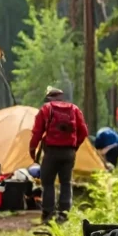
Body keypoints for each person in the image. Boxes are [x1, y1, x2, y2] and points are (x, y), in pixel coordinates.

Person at [28, 87, 89, 224]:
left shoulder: (46, 109)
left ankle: (48, 214)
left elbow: (37, 132)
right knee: (66, 183)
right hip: (69, 152)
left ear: (49, 98)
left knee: (48, 182)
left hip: (51, 151)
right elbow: (84, 131)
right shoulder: (74, 109)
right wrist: (74, 146)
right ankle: (64, 215)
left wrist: (32, 149)